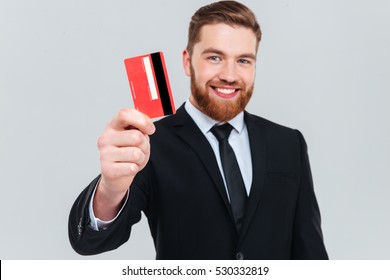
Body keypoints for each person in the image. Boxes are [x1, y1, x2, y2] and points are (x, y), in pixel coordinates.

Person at [68, 0, 328, 260]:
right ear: (187, 61)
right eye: (215, 57)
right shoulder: (149, 144)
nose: (229, 74)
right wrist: (111, 188)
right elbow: (90, 241)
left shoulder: (288, 143)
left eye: (244, 61)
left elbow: (311, 253)